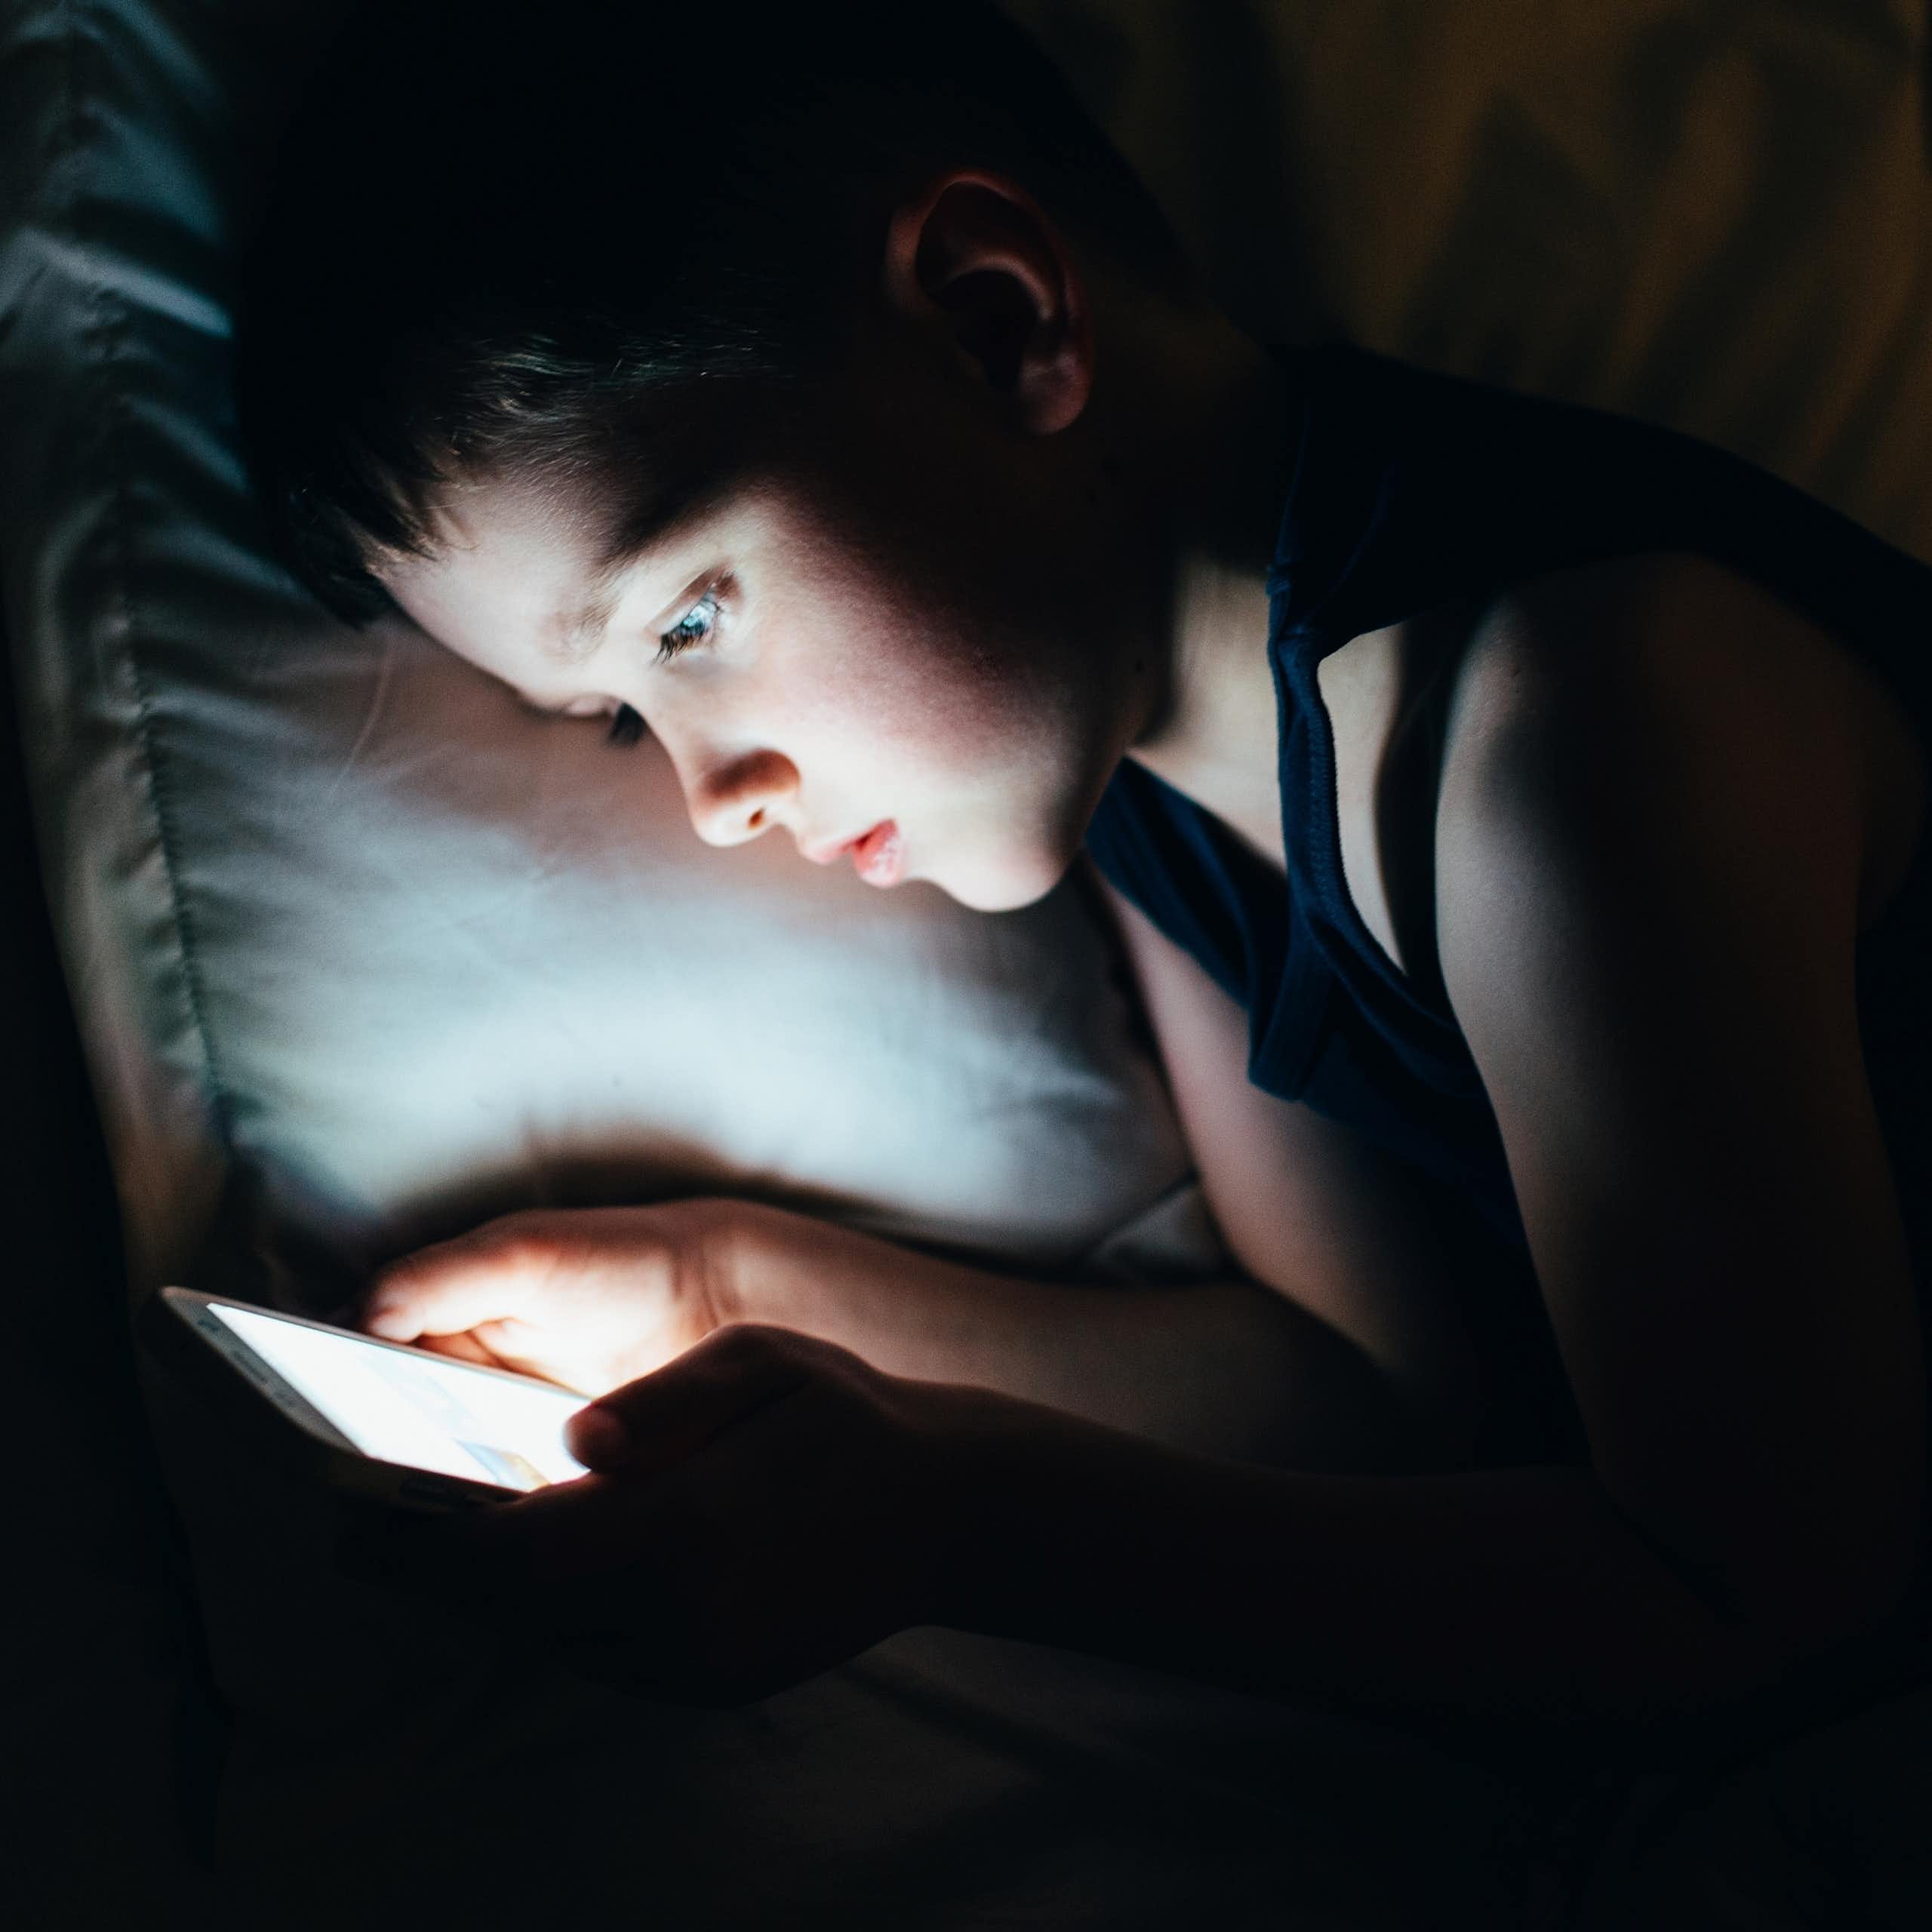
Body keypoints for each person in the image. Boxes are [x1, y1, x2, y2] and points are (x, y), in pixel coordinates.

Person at [238, 0, 1928, 1730]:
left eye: (688, 619)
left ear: (995, 324)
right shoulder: (1151, 788)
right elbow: (1352, 1381)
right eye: (618, 714)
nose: (714, 797)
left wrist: (968, 1523)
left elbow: (1747, 1589)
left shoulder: (1565, 737)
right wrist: (711, 1294)